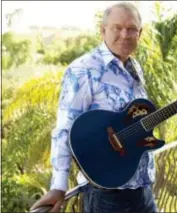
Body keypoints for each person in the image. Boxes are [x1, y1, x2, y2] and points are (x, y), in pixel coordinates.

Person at [30, 2, 158, 212]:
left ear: (140, 33)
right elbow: (65, 129)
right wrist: (59, 186)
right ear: (103, 30)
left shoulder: (135, 68)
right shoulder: (83, 70)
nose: (125, 34)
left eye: (132, 29)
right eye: (117, 27)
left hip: (143, 191)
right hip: (107, 196)